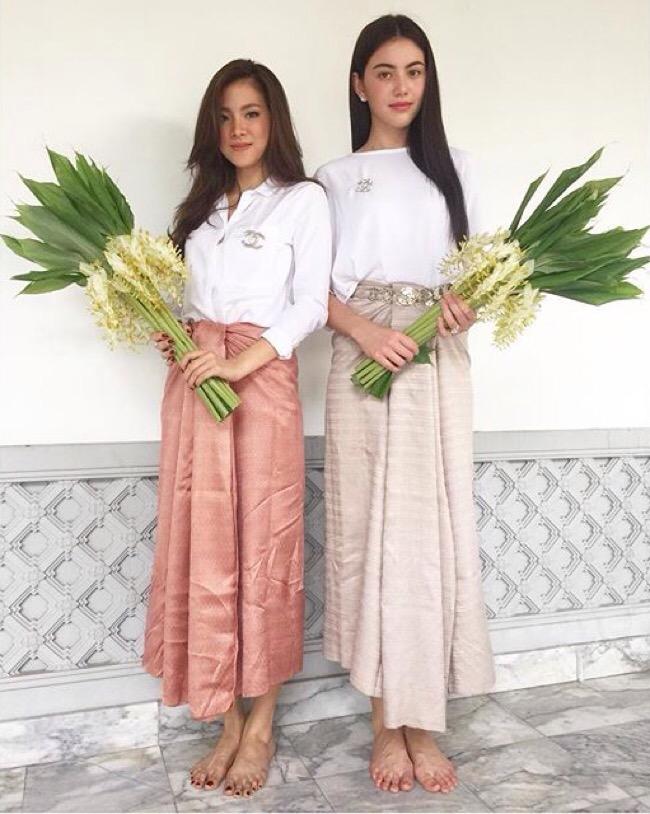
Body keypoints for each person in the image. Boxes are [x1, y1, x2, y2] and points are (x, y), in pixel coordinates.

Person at [316, 14, 496, 795]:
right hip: (363, 355)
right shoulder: (332, 177)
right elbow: (311, 288)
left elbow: (482, 276)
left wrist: (460, 310)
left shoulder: (458, 168)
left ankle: (423, 721)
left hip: (436, 360)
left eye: (414, 71)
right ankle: (385, 721)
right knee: (367, 533)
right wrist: (365, 332)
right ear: (359, 84)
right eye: (384, 72)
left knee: (430, 535)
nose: (401, 87)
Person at [142, 58, 331, 798]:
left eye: (250, 113)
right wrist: (175, 335)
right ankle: (225, 717)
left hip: (262, 385)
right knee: (206, 547)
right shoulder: (199, 212)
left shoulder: (301, 200)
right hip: (198, 387)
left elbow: (309, 305)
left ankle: (262, 723)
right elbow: (189, 304)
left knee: (265, 545)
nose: (237, 129)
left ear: (273, 119)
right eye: (224, 116)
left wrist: (237, 363)